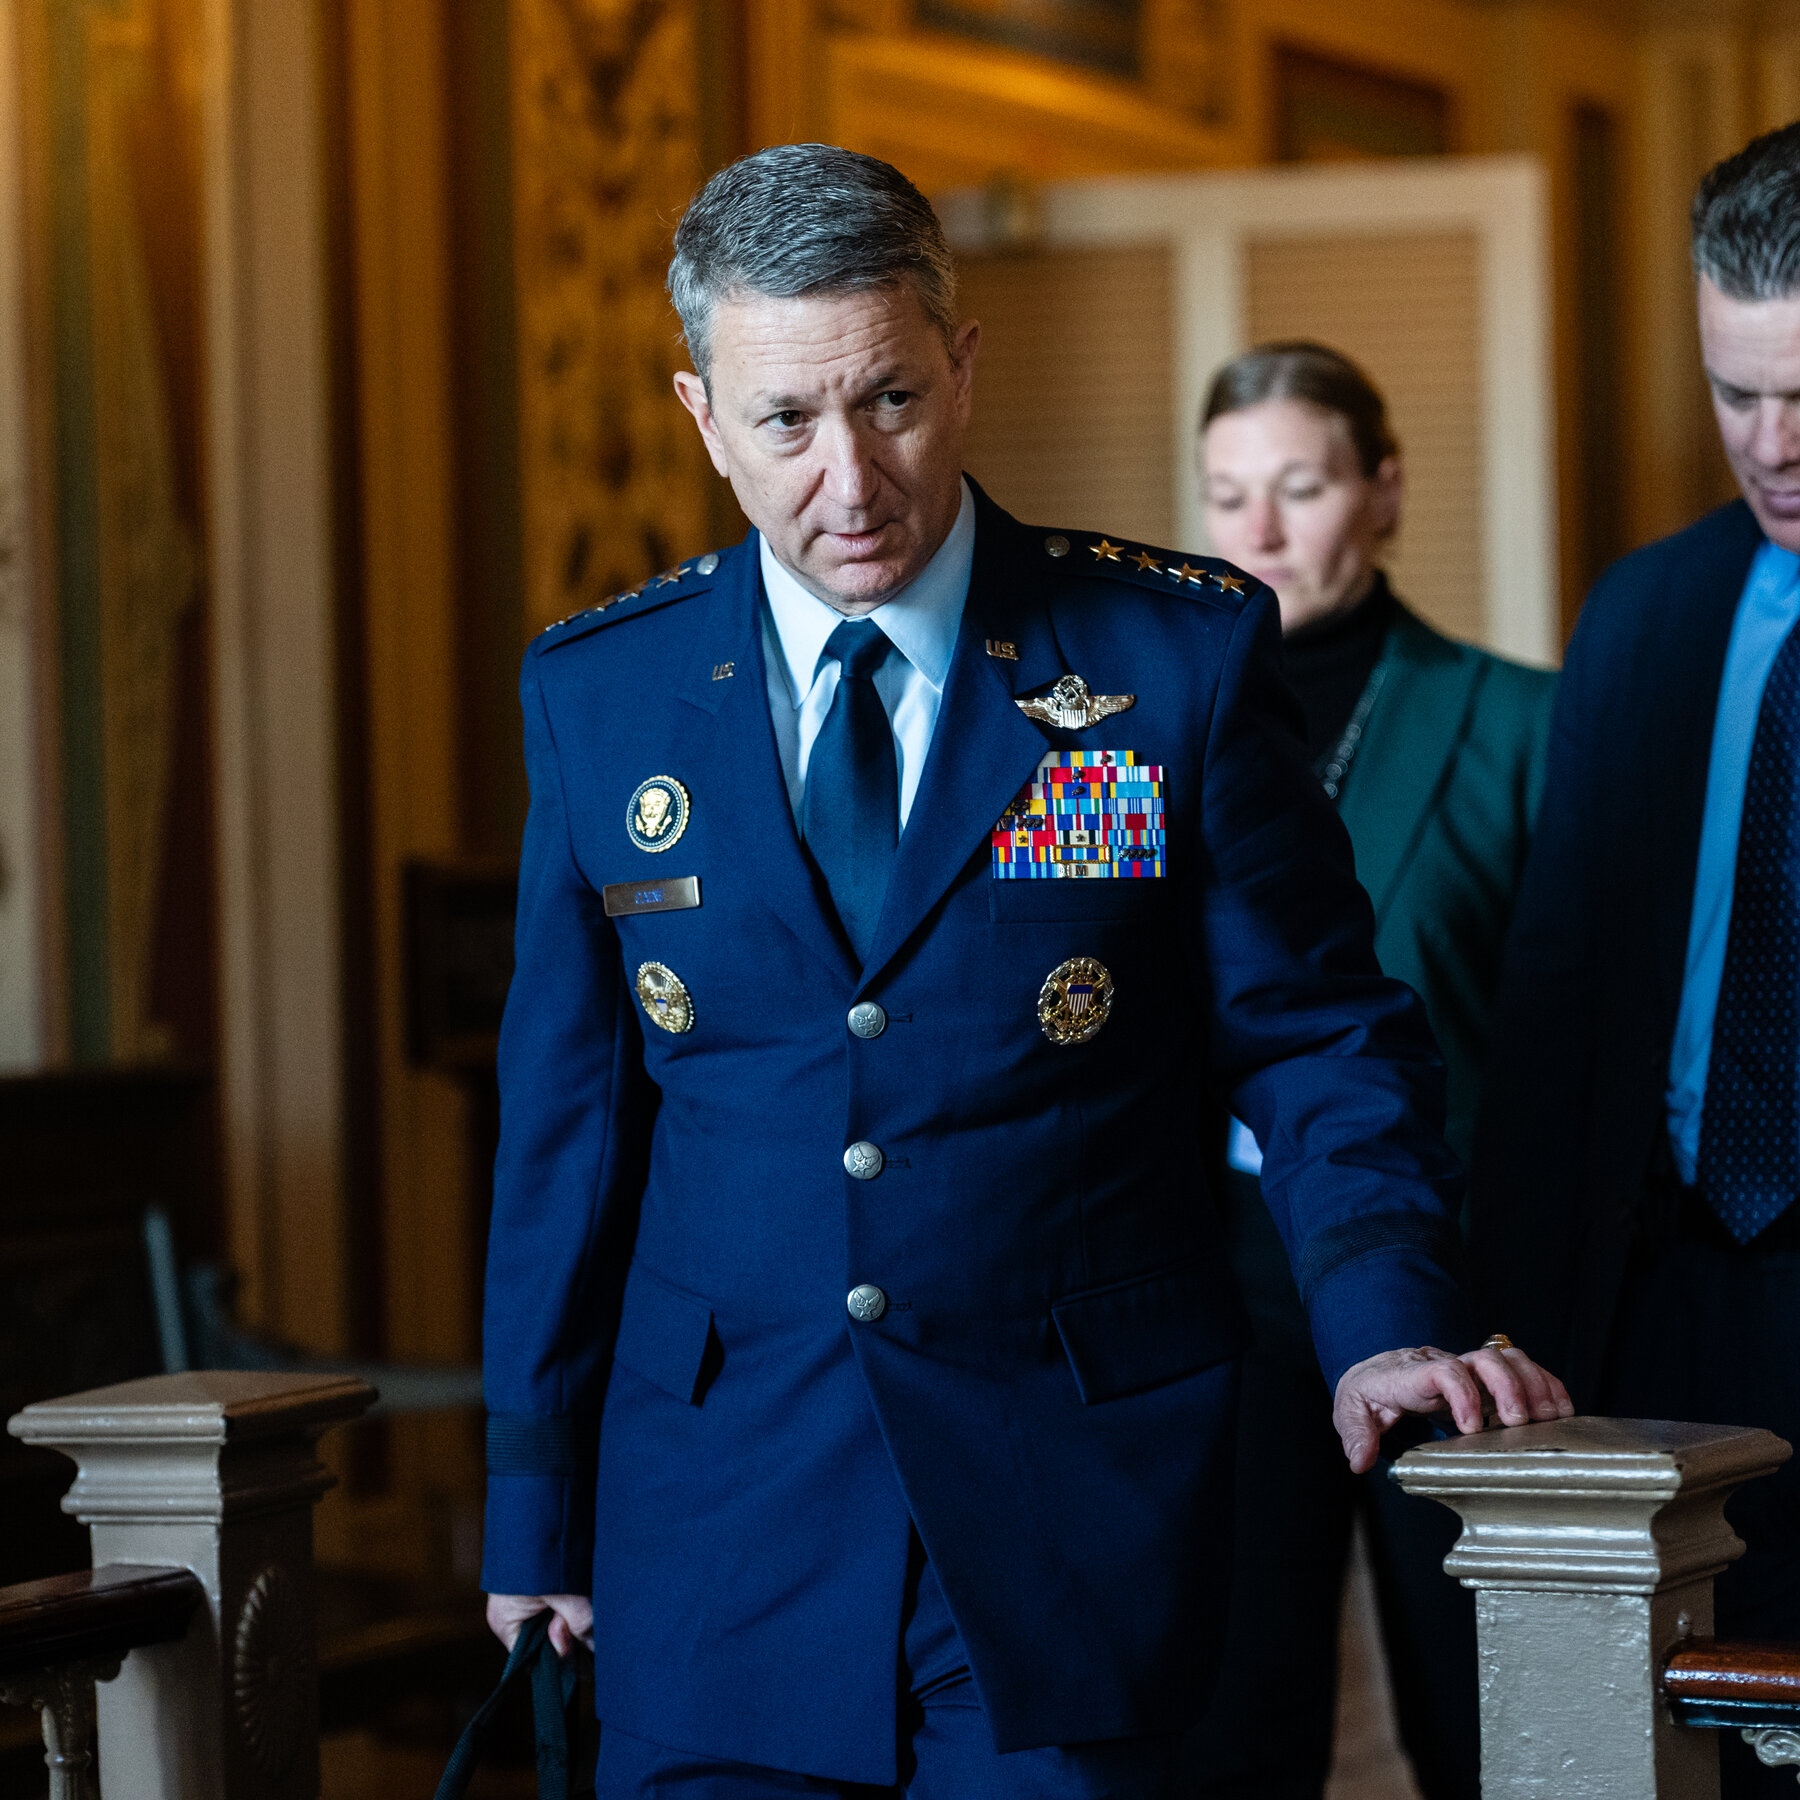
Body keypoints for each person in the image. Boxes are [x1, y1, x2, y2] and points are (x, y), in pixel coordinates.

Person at [478, 142, 1571, 1799]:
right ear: (703, 418)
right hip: (719, 1523)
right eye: (786, 422)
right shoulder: (600, 696)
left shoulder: (1170, 657)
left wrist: (1383, 1320)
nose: (852, 479)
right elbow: (566, 1136)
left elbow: (1317, 1036)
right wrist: (533, 1513)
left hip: (1068, 1513)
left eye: (892, 402)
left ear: (963, 366)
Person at [1179, 343, 1557, 1800]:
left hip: (1444, 1271)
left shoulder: (1518, 722)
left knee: (1480, 1711)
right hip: (1216, 1271)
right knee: (1234, 1713)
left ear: (1384, 492)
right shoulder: (1147, 718)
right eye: (1228, 496)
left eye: (1302, 487)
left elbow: (1566, 1042)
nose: (1261, 531)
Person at [1474, 121, 1800, 1800]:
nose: (1773, 445)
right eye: (1737, 393)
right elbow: (1556, 1004)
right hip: (1661, 1297)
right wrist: (1520, 1333)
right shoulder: (1647, 614)